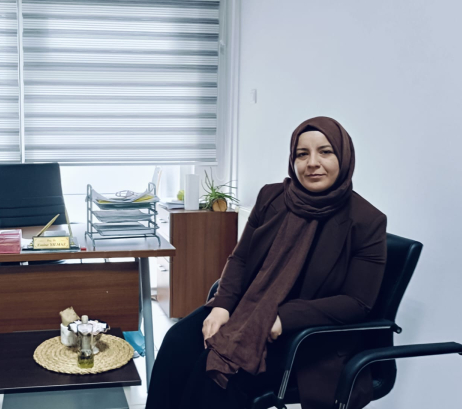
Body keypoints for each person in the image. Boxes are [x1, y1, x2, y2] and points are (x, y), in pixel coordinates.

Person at [146, 117, 387, 409]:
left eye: (325, 152)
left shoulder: (367, 221)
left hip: (305, 334)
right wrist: (222, 305)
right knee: (177, 342)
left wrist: (285, 317)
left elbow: (357, 302)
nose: (312, 163)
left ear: (344, 157)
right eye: (302, 154)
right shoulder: (272, 197)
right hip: (248, 307)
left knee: (215, 372)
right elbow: (241, 258)